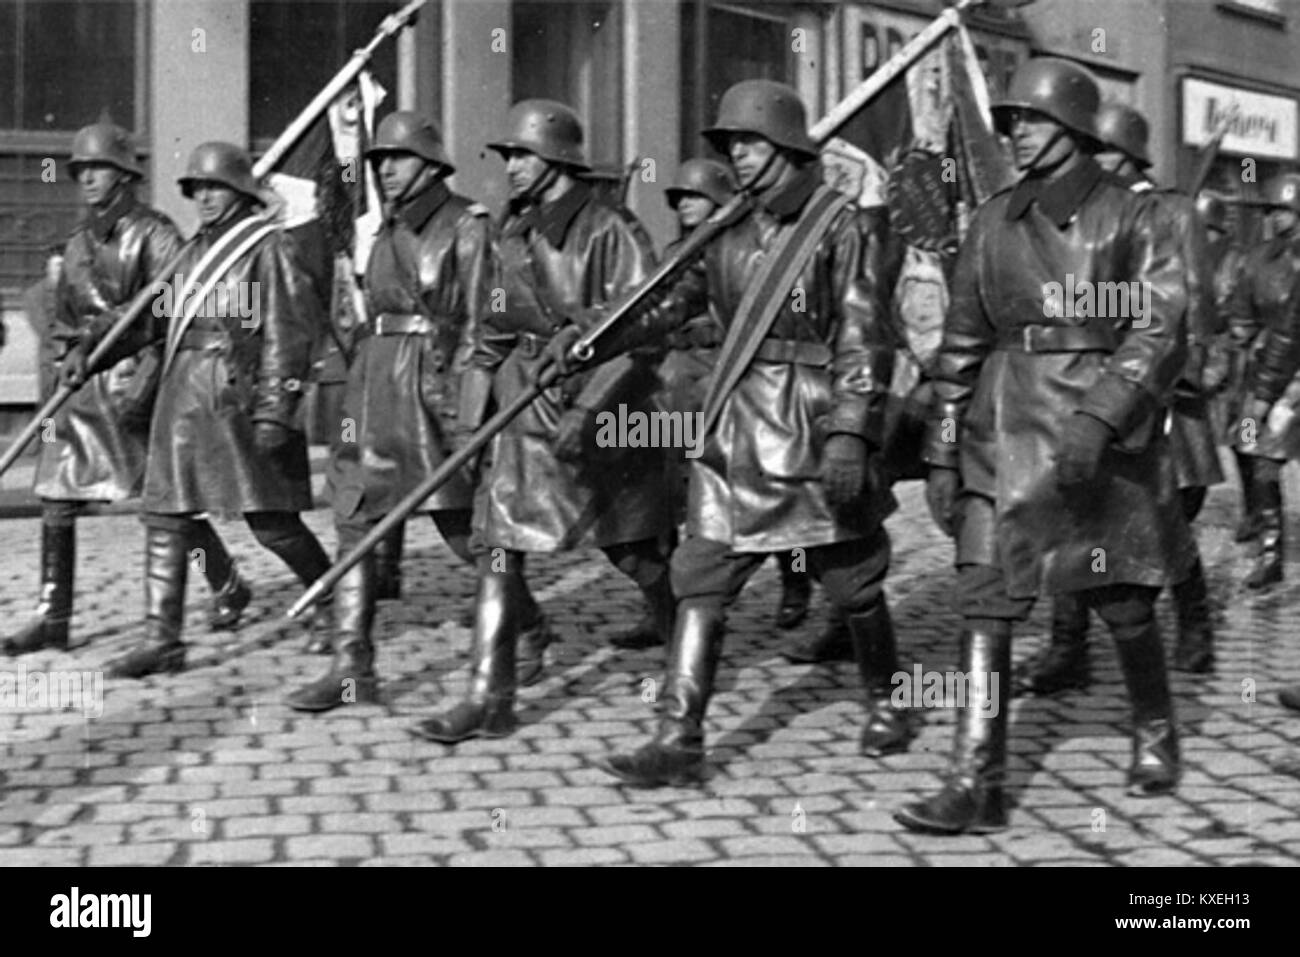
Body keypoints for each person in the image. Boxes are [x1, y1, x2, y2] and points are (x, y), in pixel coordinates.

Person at [895, 58, 1193, 834]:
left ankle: (1155, 724)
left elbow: (1158, 326)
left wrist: (1101, 416)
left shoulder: (1133, 215)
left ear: (1070, 126)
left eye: (1027, 119)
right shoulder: (993, 220)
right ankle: (975, 778)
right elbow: (960, 346)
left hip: (1093, 432)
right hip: (1000, 429)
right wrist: (941, 448)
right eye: (1012, 122)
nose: (1015, 133)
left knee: (1118, 596)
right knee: (984, 604)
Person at [593, 79, 908, 787]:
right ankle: (678, 735)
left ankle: (888, 697)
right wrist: (596, 338)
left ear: (789, 146)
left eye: (750, 142)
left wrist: (852, 432)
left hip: (809, 420)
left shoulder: (840, 226)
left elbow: (865, 335)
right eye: (730, 144)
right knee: (701, 574)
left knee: (851, 578)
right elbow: (670, 305)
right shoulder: (726, 228)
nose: (736, 156)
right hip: (733, 425)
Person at [408, 99, 673, 743]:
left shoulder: (610, 228)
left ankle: (686, 628)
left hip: (600, 407)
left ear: (557, 159)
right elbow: (489, 334)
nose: (512, 168)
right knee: (496, 547)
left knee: (631, 547)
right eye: (507, 157)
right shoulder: (509, 233)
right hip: (522, 408)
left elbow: (646, 328)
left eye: (523, 155)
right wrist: (472, 424)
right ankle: (487, 697)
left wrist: (590, 406)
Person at [62, 141, 331, 678]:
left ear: (239, 191)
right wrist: (88, 353)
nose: (205, 197)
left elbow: (288, 334)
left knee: (271, 519)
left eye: (215, 187)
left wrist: (277, 409)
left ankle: (331, 601)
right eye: (197, 188)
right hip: (181, 390)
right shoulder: (190, 254)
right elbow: (146, 322)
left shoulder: (266, 248)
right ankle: (163, 638)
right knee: (166, 516)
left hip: (236, 394)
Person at [4, 121, 251, 659]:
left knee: (165, 505)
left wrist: (146, 380)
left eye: (100, 169)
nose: (89, 179)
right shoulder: (75, 243)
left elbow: (171, 313)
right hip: (82, 386)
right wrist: (68, 353)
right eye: (82, 170)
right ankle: (53, 616)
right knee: (56, 499)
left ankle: (226, 582)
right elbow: (65, 317)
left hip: (136, 382)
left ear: (124, 175)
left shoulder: (157, 234)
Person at [285, 111, 492, 711]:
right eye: (378, 161)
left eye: (397, 159)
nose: (386, 170)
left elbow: (482, 325)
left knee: (461, 528)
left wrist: (467, 413)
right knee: (352, 518)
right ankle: (352, 666)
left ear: (430, 163)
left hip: (431, 392)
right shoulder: (383, 229)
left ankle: (524, 627)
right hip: (373, 387)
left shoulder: (466, 226)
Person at [1019, 101, 1220, 689]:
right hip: (1081, 390)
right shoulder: (1071, 208)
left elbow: (1193, 303)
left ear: (1126, 155)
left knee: (1167, 521)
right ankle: (1068, 647)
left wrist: (1178, 374)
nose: (1094, 162)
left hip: (1158, 392)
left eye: (1102, 151)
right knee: (1070, 513)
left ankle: (1195, 629)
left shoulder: (1166, 211)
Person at [642, 157, 814, 651]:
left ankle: (795, 578)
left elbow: (748, 317)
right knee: (682, 494)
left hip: (728, 377)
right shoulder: (681, 250)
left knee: (778, 500)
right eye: (679, 199)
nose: (685, 206)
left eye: (695, 197)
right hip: (681, 387)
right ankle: (675, 607)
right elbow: (661, 306)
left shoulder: (743, 244)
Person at [1222, 172, 1300, 588]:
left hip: (1290, 380)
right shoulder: (1257, 258)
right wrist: (1241, 332)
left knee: (1266, 454)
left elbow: (1290, 333)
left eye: (1280, 209)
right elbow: (1240, 309)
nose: (1273, 217)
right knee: (1250, 447)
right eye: (1269, 210)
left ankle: (1271, 550)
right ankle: (1265, 537)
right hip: (1262, 372)